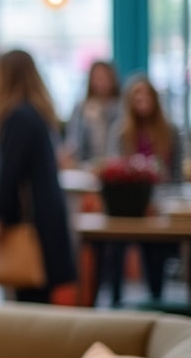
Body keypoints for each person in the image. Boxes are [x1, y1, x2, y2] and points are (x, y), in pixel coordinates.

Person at [0, 50, 75, 305]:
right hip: (45, 214)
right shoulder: (37, 113)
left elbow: (10, 173)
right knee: (39, 296)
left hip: (31, 221)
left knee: (30, 300)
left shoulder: (17, 117)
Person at [98, 75, 183, 306]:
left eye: (146, 95)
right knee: (116, 250)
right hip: (128, 206)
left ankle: (158, 301)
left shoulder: (170, 131)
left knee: (156, 253)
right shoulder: (121, 131)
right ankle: (115, 303)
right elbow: (113, 168)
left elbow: (175, 176)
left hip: (158, 207)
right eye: (137, 95)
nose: (142, 100)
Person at [62, 60, 121, 168]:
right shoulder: (81, 108)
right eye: (96, 78)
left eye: (103, 77)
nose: (100, 82)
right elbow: (72, 140)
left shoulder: (121, 108)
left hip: (113, 167)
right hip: (85, 166)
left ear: (112, 80)